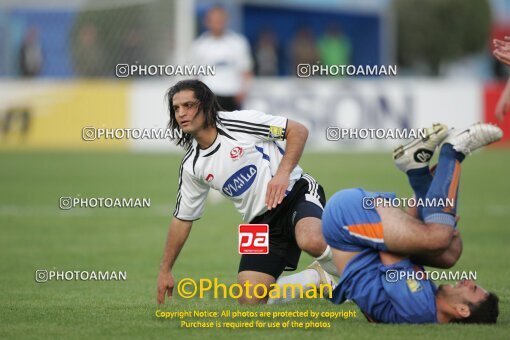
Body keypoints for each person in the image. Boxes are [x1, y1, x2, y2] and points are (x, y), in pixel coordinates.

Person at [273, 123, 502, 323]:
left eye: (472, 289)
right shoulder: (423, 307)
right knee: (450, 252)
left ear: (462, 310)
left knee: (440, 237)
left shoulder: (419, 310)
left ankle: (453, 151)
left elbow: (392, 253)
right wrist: (429, 226)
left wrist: (434, 228)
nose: (468, 280)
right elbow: (376, 309)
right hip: (356, 230)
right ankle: (417, 171)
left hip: (347, 219)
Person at [156, 79, 338, 305]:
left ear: (205, 106)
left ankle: (366, 276)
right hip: (258, 222)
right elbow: (182, 219)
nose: (181, 113)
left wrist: (282, 174)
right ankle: (314, 278)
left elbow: (298, 131)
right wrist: (166, 270)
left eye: (188, 105)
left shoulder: (239, 122)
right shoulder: (192, 165)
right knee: (249, 300)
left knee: (310, 239)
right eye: (176, 108)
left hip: (295, 192)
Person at [189, 6, 253, 111]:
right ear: (207, 21)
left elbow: (246, 70)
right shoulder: (199, 45)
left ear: (226, 21)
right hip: (209, 95)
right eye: (214, 20)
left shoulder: (238, 42)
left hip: (231, 95)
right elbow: (194, 73)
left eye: (220, 20)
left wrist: (244, 91)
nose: (217, 23)